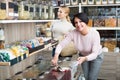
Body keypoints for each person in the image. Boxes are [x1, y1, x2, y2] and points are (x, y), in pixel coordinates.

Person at [51, 12, 104, 80]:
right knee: (87, 77)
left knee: (92, 78)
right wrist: (56, 56)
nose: (78, 24)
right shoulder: (73, 33)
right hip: (82, 55)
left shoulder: (94, 33)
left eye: (80, 21)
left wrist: (85, 58)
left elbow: (94, 54)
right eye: (76, 22)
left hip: (96, 57)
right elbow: (61, 45)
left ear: (85, 21)